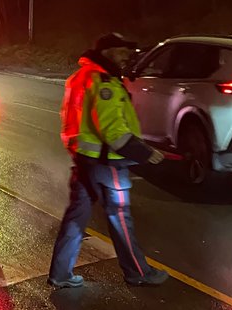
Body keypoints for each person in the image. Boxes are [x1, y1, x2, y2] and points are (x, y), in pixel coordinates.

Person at [48, 32, 169, 288]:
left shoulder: (80, 77)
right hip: (107, 161)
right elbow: (114, 133)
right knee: (120, 216)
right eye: (121, 51)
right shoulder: (105, 83)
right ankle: (138, 272)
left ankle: (60, 273)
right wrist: (145, 153)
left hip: (84, 158)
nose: (126, 57)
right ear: (107, 53)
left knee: (77, 215)